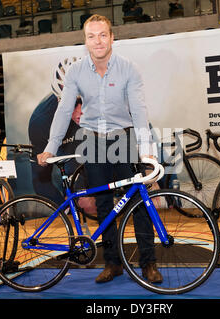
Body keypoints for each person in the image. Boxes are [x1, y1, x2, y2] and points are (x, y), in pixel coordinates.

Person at [37, 14, 162, 284]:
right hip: (93, 141)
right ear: (85, 41)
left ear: (112, 37)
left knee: (139, 202)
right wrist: (50, 147)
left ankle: (148, 262)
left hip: (124, 138)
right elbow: (64, 110)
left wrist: (146, 150)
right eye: (92, 36)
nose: (98, 41)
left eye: (103, 34)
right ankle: (112, 263)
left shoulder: (129, 68)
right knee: (104, 204)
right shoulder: (76, 71)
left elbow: (140, 111)